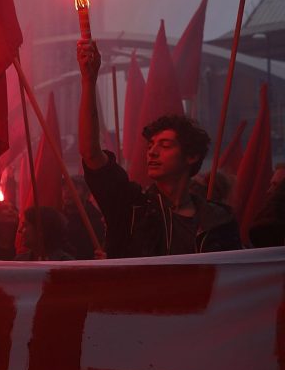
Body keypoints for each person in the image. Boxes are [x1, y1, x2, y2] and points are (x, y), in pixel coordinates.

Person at [77, 39, 241, 257]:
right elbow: (91, 153)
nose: (152, 152)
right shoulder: (131, 207)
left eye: (165, 145)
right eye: (151, 145)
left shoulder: (219, 221)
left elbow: (232, 278)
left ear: (191, 156)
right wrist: (89, 81)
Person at [62, 175, 105, 260]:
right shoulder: (58, 219)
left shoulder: (95, 220)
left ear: (87, 194)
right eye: (64, 188)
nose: (67, 192)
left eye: (75, 188)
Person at [247, 163, 285, 248]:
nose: (269, 190)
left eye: (276, 185)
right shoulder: (264, 223)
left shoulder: (268, 227)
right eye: (270, 184)